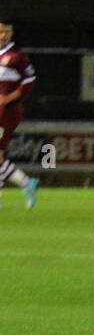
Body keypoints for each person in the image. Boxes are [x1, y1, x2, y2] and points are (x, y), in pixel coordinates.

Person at [0, 21, 39, 210]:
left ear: (12, 33)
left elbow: (29, 83)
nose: (3, 35)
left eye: (6, 31)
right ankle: (25, 183)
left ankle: (25, 183)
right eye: (0, 31)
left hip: (7, 112)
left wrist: (7, 99)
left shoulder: (17, 57)